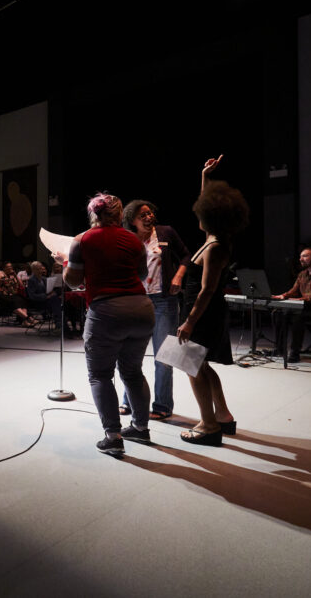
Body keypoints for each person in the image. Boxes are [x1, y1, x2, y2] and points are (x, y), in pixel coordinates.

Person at [62, 192, 154, 456]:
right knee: (133, 372)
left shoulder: (82, 240)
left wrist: (65, 262)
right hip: (141, 309)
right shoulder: (134, 240)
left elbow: (73, 281)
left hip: (107, 311)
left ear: (94, 214)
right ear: (119, 213)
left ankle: (113, 436)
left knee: (101, 374)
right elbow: (143, 274)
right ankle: (140, 428)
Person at [176, 155, 249, 447]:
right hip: (201, 310)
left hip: (204, 312)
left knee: (192, 365)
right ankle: (223, 416)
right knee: (202, 365)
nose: (198, 212)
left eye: (202, 211)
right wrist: (204, 175)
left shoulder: (215, 246)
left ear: (211, 217)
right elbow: (205, 199)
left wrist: (190, 322)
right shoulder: (211, 237)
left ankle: (208, 425)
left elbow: (207, 289)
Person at [119, 199, 191, 420]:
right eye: (143, 215)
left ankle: (162, 406)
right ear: (132, 220)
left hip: (163, 301)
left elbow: (187, 256)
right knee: (131, 356)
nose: (149, 217)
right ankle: (129, 401)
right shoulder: (127, 238)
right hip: (136, 301)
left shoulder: (165, 232)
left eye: (150, 213)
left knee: (163, 357)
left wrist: (178, 276)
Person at [272, 247, 311, 363]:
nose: (301, 259)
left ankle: (295, 352)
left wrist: (300, 300)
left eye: (305, 256)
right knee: (279, 312)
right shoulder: (302, 274)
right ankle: (279, 348)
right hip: (305, 304)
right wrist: (283, 296)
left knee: (297, 316)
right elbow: (294, 290)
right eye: (301, 256)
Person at [0, 262, 36, 326]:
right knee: (15, 301)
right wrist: (1, 282)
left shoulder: (12, 275)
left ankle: (24, 321)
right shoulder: (0, 273)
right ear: (4, 268)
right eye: (8, 267)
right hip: (1, 295)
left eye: (11, 266)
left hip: (11, 295)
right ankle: (28, 319)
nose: (10, 268)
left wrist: (15, 275)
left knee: (22, 299)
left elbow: (21, 285)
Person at [25, 261, 62, 330]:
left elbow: (49, 290)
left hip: (48, 301)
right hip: (38, 302)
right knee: (55, 301)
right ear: (33, 270)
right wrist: (46, 296)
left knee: (58, 299)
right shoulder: (31, 280)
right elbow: (32, 295)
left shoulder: (44, 279)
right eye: (38, 269)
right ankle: (60, 324)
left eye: (41, 268)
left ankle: (61, 324)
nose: (41, 271)